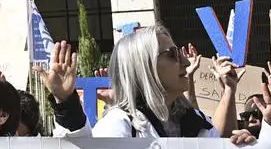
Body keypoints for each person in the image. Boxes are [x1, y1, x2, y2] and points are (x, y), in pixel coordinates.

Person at [84, 24, 216, 138]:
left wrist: (235, 144)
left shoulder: (199, 120)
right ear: (143, 67)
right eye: (172, 54)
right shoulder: (117, 127)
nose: (186, 62)